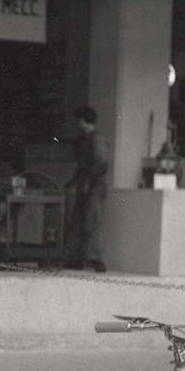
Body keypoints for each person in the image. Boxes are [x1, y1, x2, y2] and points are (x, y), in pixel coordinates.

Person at [64, 106, 108, 272]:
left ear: (82, 120)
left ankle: (97, 259)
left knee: (92, 221)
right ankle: (78, 258)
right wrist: (75, 181)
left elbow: (101, 162)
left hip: (94, 185)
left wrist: (88, 180)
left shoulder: (96, 138)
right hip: (85, 183)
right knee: (79, 221)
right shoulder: (85, 139)